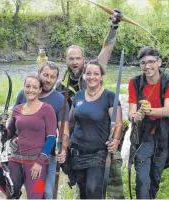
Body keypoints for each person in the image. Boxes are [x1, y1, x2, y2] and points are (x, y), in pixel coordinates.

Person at [56, 9, 125, 199]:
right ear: (66, 60)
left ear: (84, 60)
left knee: (112, 188)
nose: (75, 62)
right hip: (78, 146)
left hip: (102, 141)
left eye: (78, 58)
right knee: (83, 190)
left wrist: (114, 26)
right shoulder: (61, 85)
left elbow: (107, 48)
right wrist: (63, 143)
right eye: (71, 58)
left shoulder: (93, 70)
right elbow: (64, 120)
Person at [14, 61, 70, 199]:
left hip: (47, 155)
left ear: (57, 79)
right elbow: (14, 120)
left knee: (46, 192)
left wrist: (63, 148)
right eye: (45, 75)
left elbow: (64, 131)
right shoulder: (24, 93)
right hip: (23, 153)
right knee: (30, 192)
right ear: (39, 74)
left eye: (53, 77)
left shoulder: (59, 100)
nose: (48, 80)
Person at [128, 46, 169, 199]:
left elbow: (167, 110)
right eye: (143, 63)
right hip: (143, 138)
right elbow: (131, 113)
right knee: (142, 180)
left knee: (155, 180)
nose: (147, 66)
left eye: (151, 62)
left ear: (159, 62)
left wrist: (149, 111)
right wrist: (135, 116)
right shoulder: (135, 83)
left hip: (163, 136)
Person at [68, 60, 123, 199]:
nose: (92, 77)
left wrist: (116, 140)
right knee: (83, 192)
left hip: (98, 153)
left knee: (94, 190)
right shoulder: (79, 96)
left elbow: (118, 123)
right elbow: (70, 122)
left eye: (96, 74)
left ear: (101, 77)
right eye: (88, 73)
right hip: (78, 152)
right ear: (84, 76)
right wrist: (63, 142)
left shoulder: (110, 97)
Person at [0, 74, 57, 199]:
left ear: (40, 90)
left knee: (37, 195)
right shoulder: (17, 109)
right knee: (11, 195)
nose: (31, 90)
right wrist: (1, 126)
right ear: (24, 87)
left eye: (35, 87)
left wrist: (40, 162)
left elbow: (51, 138)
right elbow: (8, 134)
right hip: (15, 161)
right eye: (28, 86)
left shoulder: (47, 109)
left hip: (38, 163)